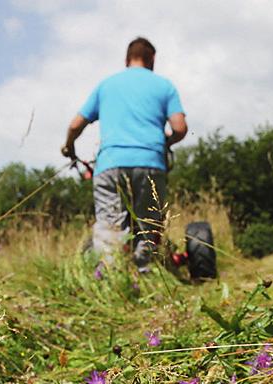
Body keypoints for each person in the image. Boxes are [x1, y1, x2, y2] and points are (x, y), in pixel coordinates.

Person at [62, 37, 188, 269]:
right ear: (152, 59)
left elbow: (75, 125)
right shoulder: (164, 86)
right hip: (151, 163)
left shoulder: (106, 85)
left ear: (127, 58)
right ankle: (146, 276)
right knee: (149, 226)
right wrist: (165, 142)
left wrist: (69, 146)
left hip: (110, 165)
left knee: (110, 227)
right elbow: (180, 128)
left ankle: (111, 278)